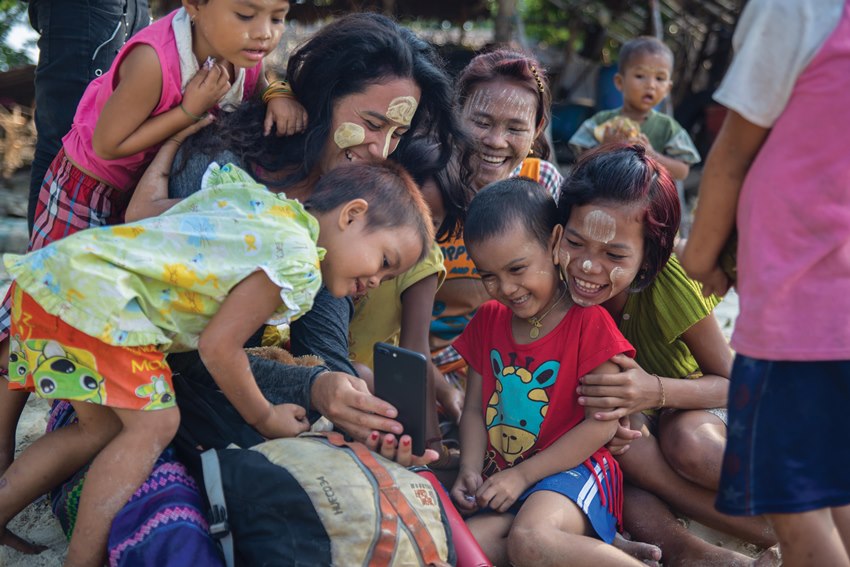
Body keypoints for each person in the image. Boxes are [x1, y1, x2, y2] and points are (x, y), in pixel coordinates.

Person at [0, 159, 434, 564]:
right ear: (352, 214)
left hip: (62, 278)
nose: (376, 281)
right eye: (384, 261)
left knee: (100, 429)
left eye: (388, 279)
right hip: (104, 304)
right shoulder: (295, 258)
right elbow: (217, 349)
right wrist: (265, 418)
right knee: (157, 425)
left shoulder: (266, 207)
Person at [0, 0, 305, 474]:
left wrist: (278, 92)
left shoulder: (243, 55)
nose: (263, 33)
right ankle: (3, 446)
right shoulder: (154, 60)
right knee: (44, 304)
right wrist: (188, 109)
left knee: (89, 312)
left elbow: (261, 81)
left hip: (138, 190)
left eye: (278, 18)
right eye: (247, 16)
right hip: (86, 186)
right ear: (195, 5)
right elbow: (108, 145)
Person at [681, 0, 850, 565]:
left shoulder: (796, 8)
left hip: (800, 311)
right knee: (835, 487)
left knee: (796, 510)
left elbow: (731, 152)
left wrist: (699, 262)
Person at [560, 144, 777, 565]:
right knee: (621, 458)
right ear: (558, 232)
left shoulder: (665, 282)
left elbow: (735, 383)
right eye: (576, 242)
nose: (588, 266)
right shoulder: (554, 280)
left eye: (615, 254)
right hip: (630, 432)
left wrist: (651, 391)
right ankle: (702, 555)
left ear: (648, 259)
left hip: (696, 402)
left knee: (687, 443)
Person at [449, 178, 645, 567]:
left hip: (575, 472)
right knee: (466, 550)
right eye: (488, 275)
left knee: (531, 538)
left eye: (517, 268)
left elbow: (601, 425)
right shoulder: (488, 320)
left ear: (555, 244)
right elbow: (473, 409)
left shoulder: (589, 323)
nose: (506, 287)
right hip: (503, 475)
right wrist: (470, 469)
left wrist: (524, 477)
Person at [430, 49, 563, 425]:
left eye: (515, 129)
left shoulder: (545, 186)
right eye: (482, 122)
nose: (496, 141)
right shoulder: (428, 187)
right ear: (457, 113)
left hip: (517, 370)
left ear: (537, 129)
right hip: (431, 371)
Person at [347, 138, 473, 462]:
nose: (417, 232)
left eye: (431, 223)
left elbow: (415, 349)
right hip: (351, 380)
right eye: (412, 214)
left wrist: (430, 441)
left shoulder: (423, 257)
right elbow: (415, 352)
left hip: (378, 388)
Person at [24, 0, 151, 233]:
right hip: (88, 9)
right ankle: (47, 263)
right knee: (68, 142)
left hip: (131, 7)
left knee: (121, 153)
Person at [568, 36, 700, 181]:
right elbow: (579, 158)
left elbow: (682, 171)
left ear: (668, 89)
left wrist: (651, 154)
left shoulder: (667, 127)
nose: (651, 85)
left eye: (659, 78)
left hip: (648, 200)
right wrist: (606, 146)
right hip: (603, 196)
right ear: (619, 82)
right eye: (640, 75)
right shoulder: (602, 121)